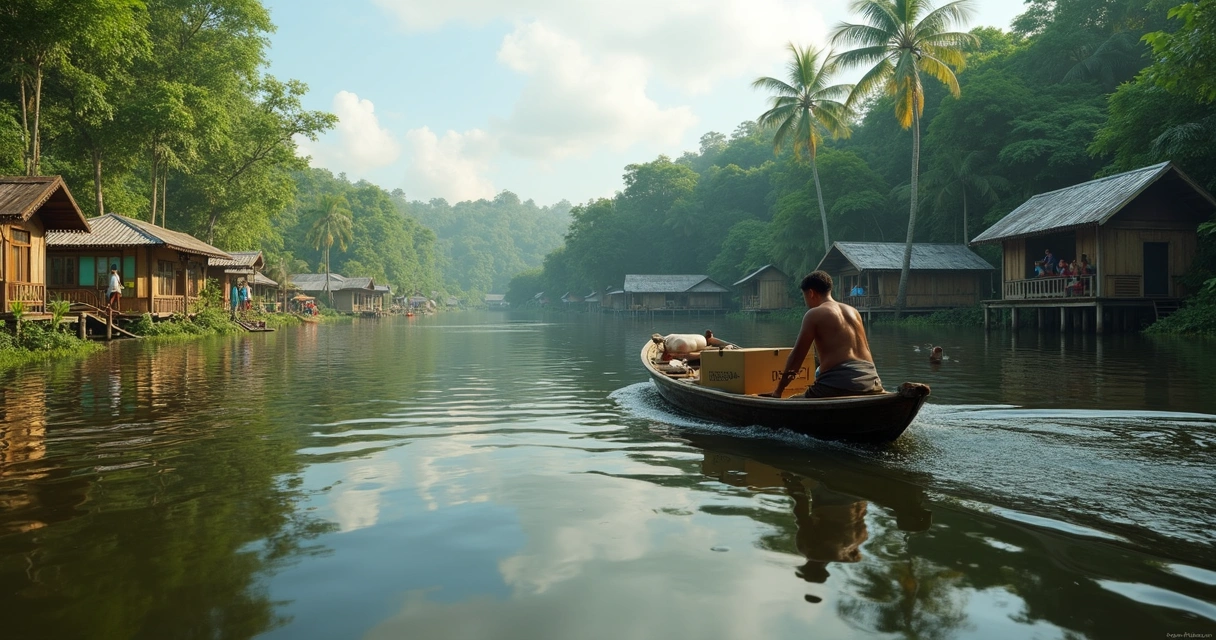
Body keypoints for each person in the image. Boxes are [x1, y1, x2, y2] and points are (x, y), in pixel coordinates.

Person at [762, 271, 884, 398]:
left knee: (793, 399)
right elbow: (867, 351)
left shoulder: (814, 314)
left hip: (839, 385)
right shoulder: (853, 312)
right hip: (872, 382)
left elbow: (796, 357)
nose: (806, 303)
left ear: (811, 293)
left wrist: (778, 391)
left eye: (805, 298)